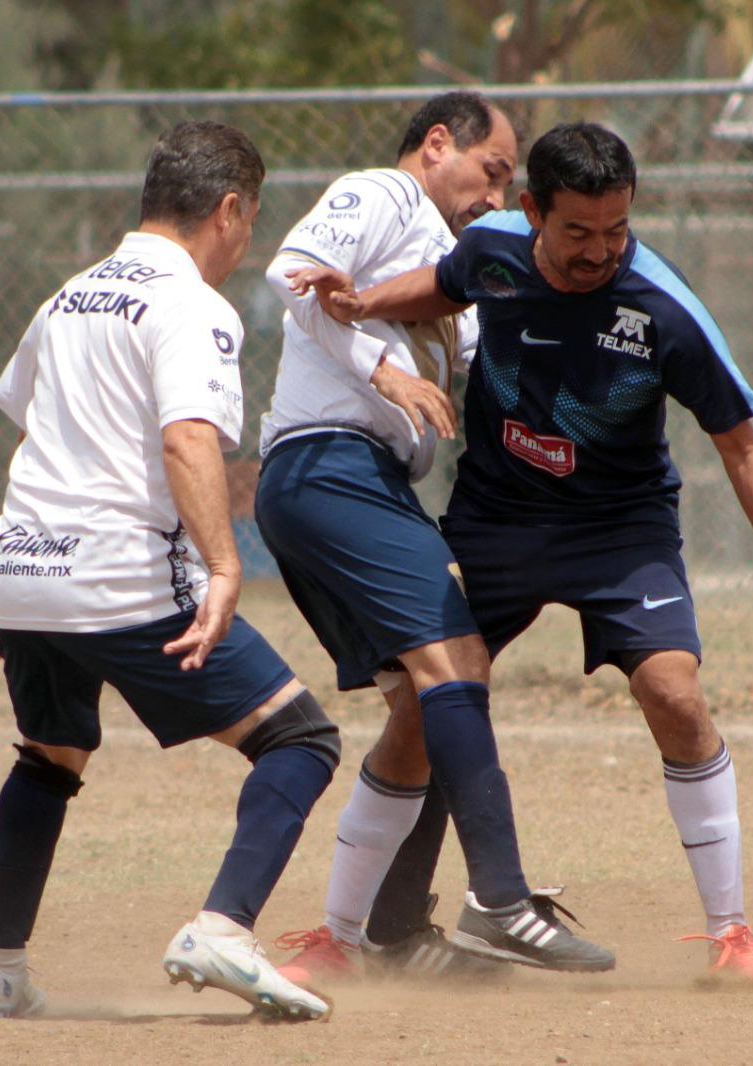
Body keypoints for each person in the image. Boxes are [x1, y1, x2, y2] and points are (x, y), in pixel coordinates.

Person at [290, 122, 753, 983]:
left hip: (619, 532)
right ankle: (336, 938)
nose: (601, 252)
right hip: (498, 521)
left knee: (676, 693)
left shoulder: (664, 307)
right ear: (531, 213)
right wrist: (361, 303)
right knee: (421, 712)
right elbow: (442, 288)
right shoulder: (492, 251)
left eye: (617, 230)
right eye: (579, 232)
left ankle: (732, 937)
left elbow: (741, 444)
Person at [0, 121, 340, 1022]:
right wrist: (222, 566)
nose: (247, 244)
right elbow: (187, 437)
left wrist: (4, 576)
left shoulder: (69, 295)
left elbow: (33, 429)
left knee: (53, 754)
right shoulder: (192, 305)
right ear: (230, 208)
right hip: (118, 575)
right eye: (251, 223)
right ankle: (223, 927)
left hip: (26, 567)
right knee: (300, 738)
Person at [255, 92, 613, 984]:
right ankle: (499, 899)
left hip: (361, 482)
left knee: (420, 711)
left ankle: (363, 940)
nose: (495, 195)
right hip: (328, 463)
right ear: (437, 145)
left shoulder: (460, 269)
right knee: (459, 667)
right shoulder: (383, 193)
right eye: (491, 171)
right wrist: (381, 366)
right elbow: (295, 276)